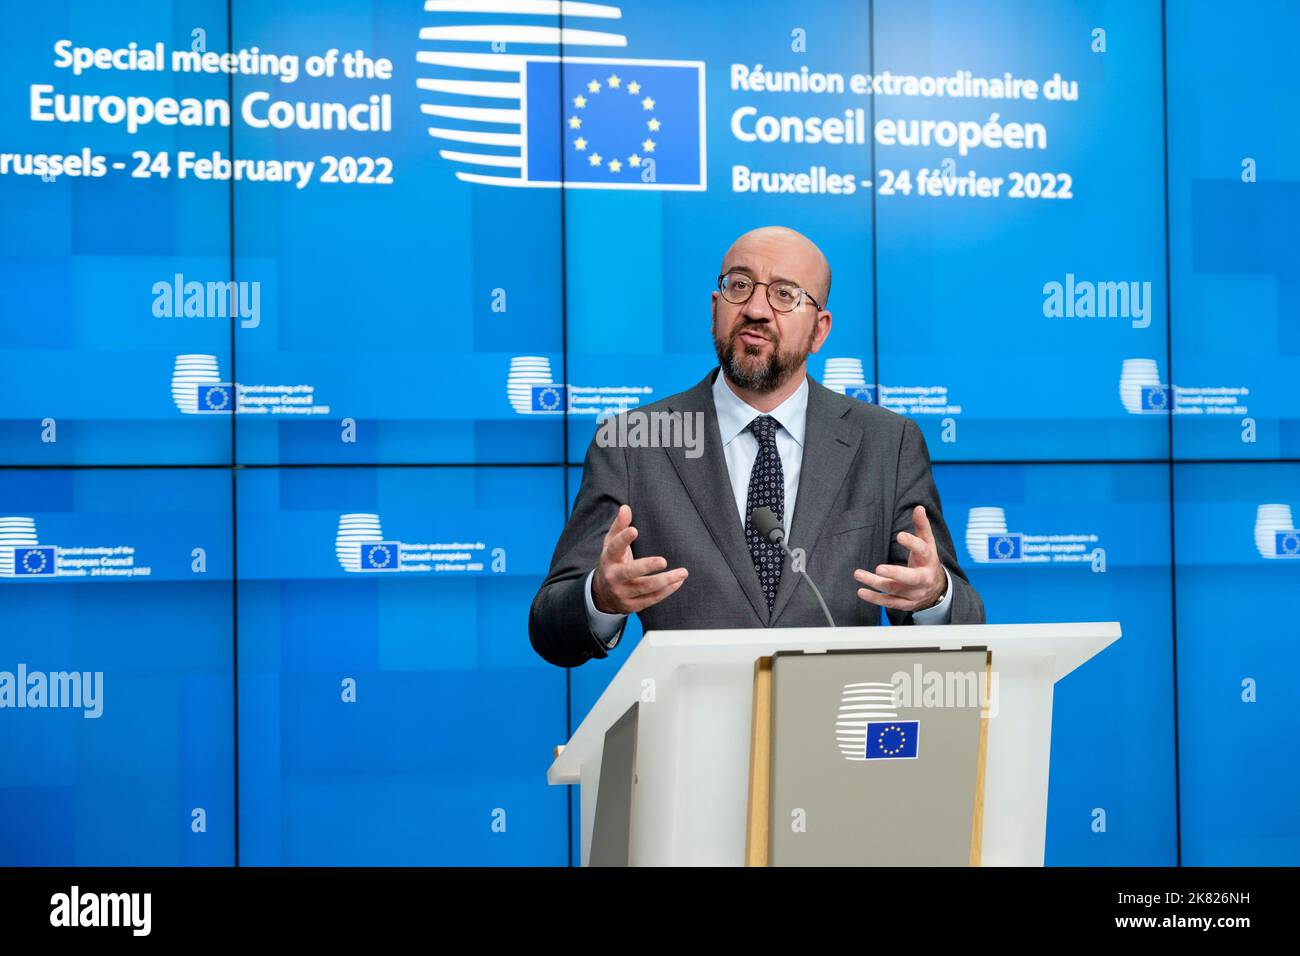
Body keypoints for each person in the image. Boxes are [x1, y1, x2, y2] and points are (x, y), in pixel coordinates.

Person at [529, 225, 984, 667]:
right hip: (688, 735)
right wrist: (600, 598)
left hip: (834, 731)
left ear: (819, 330)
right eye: (740, 285)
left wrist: (933, 595)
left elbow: (965, 623)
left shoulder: (888, 443)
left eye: (785, 294)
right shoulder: (633, 442)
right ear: (715, 308)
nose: (756, 309)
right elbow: (550, 629)